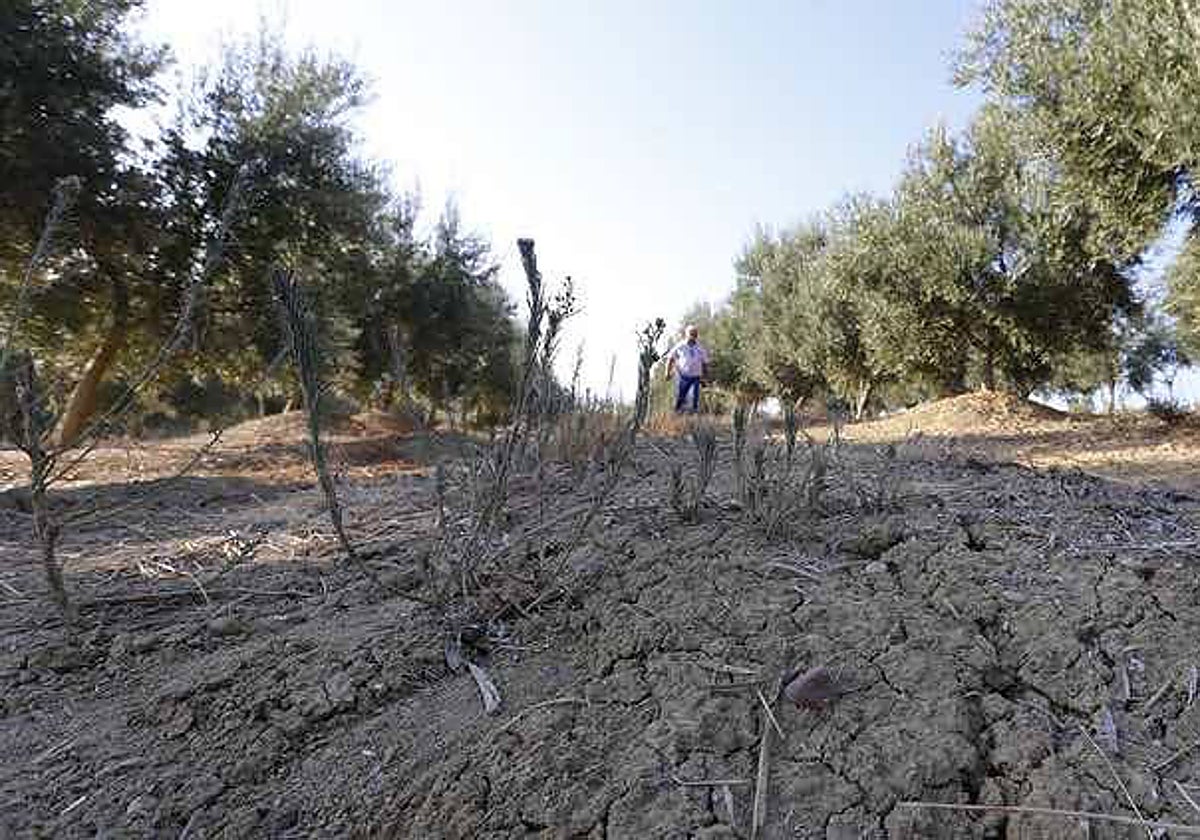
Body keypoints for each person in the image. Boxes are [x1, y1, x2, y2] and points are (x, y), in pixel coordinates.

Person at [665, 324, 709, 414]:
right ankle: (677, 416)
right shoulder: (680, 346)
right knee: (680, 398)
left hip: (695, 377)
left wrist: (704, 378)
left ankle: (691, 420)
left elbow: (705, 364)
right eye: (691, 333)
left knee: (693, 399)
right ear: (686, 334)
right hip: (682, 377)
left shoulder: (700, 349)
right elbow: (670, 358)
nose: (693, 336)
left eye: (695, 334)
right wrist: (667, 372)